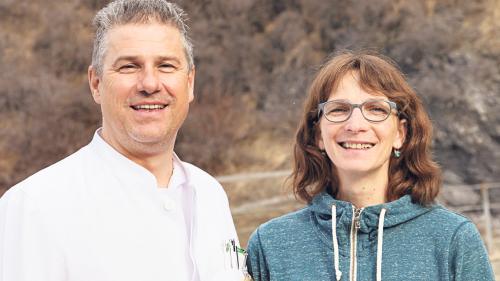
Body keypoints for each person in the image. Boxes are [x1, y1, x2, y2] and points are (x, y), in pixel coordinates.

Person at [0, 1, 245, 280]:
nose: (150, 84)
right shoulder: (34, 207)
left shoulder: (210, 194)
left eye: (166, 65)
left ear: (189, 83)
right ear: (96, 84)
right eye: (129, 66)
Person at [246, 51, 494, 281]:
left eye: (376, 109)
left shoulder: (453, 240)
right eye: (339, 109)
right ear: (318, 134)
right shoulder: (270, 246)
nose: (356, 125)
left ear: (400, 133)